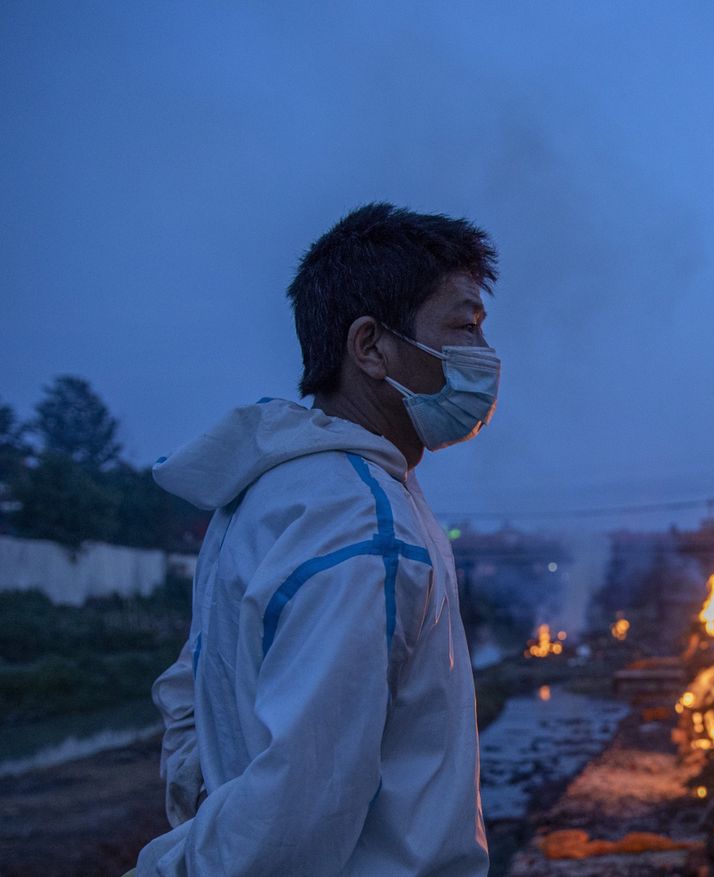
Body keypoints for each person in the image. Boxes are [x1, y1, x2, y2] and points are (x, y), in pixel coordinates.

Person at [134, 203, 498, 876]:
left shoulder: (273, 490)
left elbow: (189, 694)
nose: (483, 357)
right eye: (463, 327)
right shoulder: (366, 521)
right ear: (370, 347)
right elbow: (293, 825)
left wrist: (199, 814)